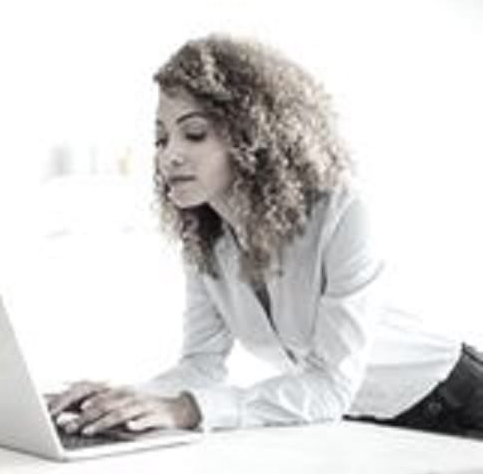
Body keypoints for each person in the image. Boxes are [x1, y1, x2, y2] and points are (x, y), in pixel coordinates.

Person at [47, 34, 483, 438]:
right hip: (360, 420)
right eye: (161, 139)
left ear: (251, 136)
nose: (169, 156)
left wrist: (187, 409)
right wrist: (118, 400)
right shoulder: (205, 237)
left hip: (458, 398)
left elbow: (330, 386)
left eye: (194, 133)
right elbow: (201, 366)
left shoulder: (342, 213)